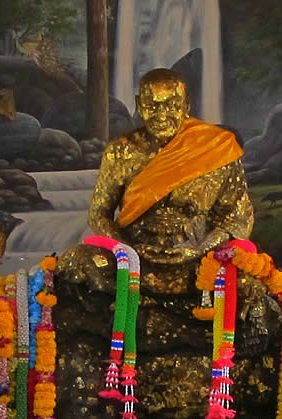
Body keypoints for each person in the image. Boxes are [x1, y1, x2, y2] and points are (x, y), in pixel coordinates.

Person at [65, 69, 253, 296]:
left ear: (186, 106)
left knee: (246, 279)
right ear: (139, 105)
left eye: (171, 105)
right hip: (135, 259)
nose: (161, 115)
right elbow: (98, 215)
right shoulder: (122, 151)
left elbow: (236, 218)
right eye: (152, 106)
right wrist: (128, 251)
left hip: (197, 259)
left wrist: (200, 249)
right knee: (78, 261)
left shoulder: (216, 148)